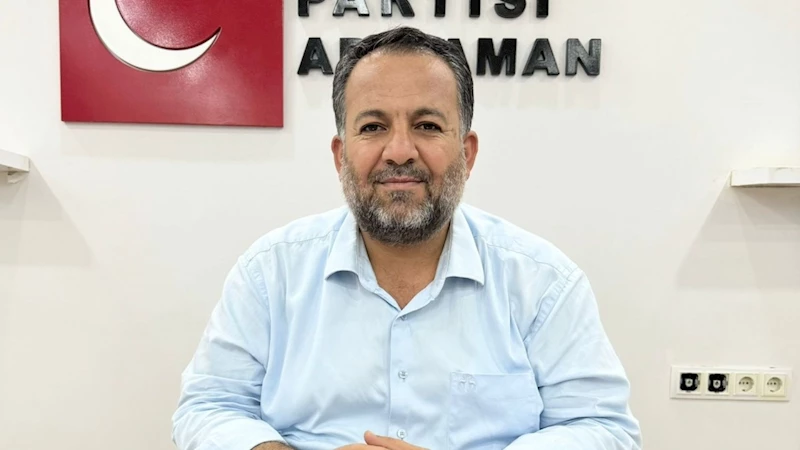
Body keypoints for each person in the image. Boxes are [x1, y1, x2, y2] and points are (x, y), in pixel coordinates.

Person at [171, 26, 642, 450]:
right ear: (340, 155)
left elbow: (603, 428)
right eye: (373, 127)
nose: (399, 152)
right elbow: (207, 408)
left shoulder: (543, 283)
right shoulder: (270, 273)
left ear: (467, 153)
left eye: (427, 126)